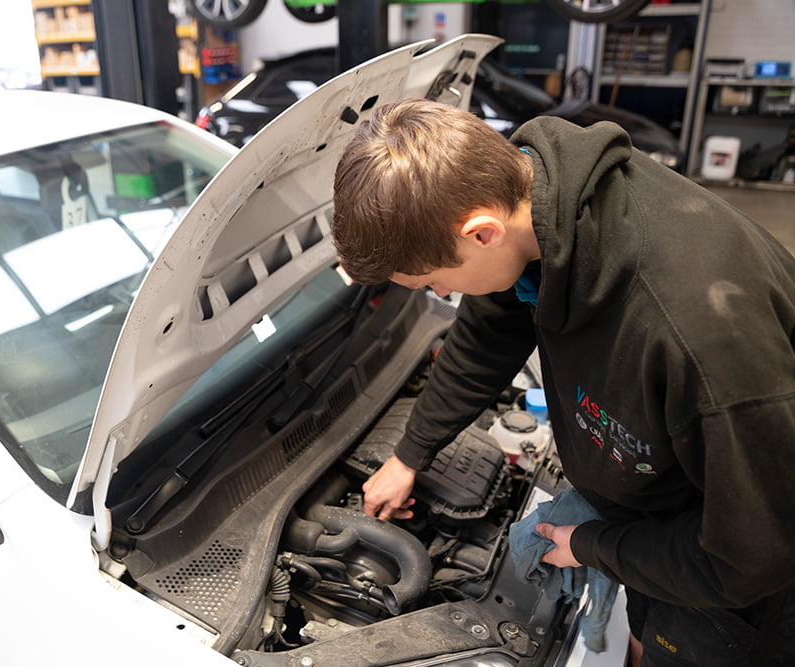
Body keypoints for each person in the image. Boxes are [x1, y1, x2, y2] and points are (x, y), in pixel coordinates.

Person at [330, 97, 795, 666]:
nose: (444, 297)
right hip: (660, 518)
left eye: (434, 283)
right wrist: (411, 454)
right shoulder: (538, 197)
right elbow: (488, 328)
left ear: (481, 233)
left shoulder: (696, 339)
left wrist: (591, 547)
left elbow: (747, 559)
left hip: (744, 582)